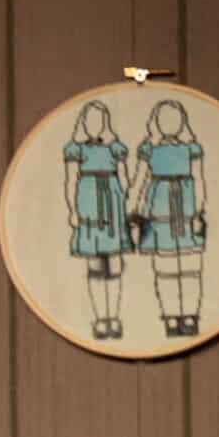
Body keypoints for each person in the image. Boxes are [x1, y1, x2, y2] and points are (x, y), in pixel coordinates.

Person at [133, 97, 208, 336]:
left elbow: (199, 179)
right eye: (164, 119)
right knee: (165, 268)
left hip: (186, 211)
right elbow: (140, 180)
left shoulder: (191, 149)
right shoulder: (149, 150)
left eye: (174, 119)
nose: (169, 124)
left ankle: (191, 314)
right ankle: (171, 316)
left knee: (190, 267)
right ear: (155, 122)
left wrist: (198, 211)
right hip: (159, 211)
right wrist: (134, 210)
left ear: (182, 121)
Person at [63, 99, 134, 341]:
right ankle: (100, 318)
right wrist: (73, 210)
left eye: (99, 121)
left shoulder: (115, 149)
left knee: (114, 264)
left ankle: (114, 316)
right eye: (90, 120)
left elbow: (125, 181)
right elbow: (70, 181)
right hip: (89, 207)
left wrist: (123, 191)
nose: (95, 125)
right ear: (83, 123)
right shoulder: (77, 150)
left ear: (106, 123)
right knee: (95, 266)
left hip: (112, 207)